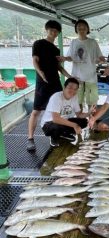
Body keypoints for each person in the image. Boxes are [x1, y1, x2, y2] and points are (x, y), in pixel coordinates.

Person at [27, 20, 72, 151]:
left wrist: (70, 76)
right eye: (51, 30)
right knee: (36, 111)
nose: (53, 32)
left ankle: (54, 135)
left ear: (58, 33)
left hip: (55, 83)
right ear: (47, 30)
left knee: (58, 111)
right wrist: (40, 73)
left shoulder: (56, 49)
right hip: (42, 83)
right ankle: (30, 139)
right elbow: (35, 61)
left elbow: (58, 67)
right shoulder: (38, 44)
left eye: (56, 31)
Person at [58, 19, 105, 112]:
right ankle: (80, 120)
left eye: (84, 27)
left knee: (92, 102)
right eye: (79, 27)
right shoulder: (73, 42)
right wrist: (64, 58)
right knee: (78, 101)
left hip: (91, 77)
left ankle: (92, 121)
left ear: (87, 29)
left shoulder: (93, 42)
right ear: (76, 29)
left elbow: (98, 59)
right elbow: (70, 57)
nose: (81, 29)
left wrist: (101, 60)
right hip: (77, 77)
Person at [40, 78, 89, 147]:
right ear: (64, 87)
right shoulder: (56, 97)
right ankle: (54, 138)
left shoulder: (74, 97)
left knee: (84, 122)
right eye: (70, 88)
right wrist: (75, 125)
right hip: (49, 124)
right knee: (56, 127)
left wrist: (89, 113)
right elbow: (56, 119)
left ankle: (63, 134)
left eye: (75, 89)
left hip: (64, 121)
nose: (73, 91)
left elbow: (79, 114)